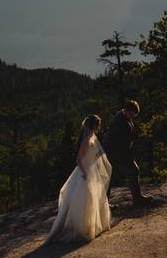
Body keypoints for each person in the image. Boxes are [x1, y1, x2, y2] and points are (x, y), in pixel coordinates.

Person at [46, 114, 112, 243]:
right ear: (94, 126)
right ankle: (83, 228)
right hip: (85, 172)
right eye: (98, 125)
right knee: (85, 201)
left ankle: (92, 226)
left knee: (92, 199)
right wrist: (84, 173)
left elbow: (93, 154)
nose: (99, 127)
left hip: (91, 170)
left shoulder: (92, 136)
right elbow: (78, 159)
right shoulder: (87, 139)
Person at [104, 100, 152, 205]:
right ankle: (137, 199)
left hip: (120, 153)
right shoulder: (118, 121)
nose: (132, 117)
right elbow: (113, 141)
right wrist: (127, 156)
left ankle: (137, 198)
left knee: (112, 177)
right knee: (111, 178)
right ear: (126, 110)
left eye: (134, 116)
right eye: (131, 115)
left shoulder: (125, 116)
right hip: (115, 154)